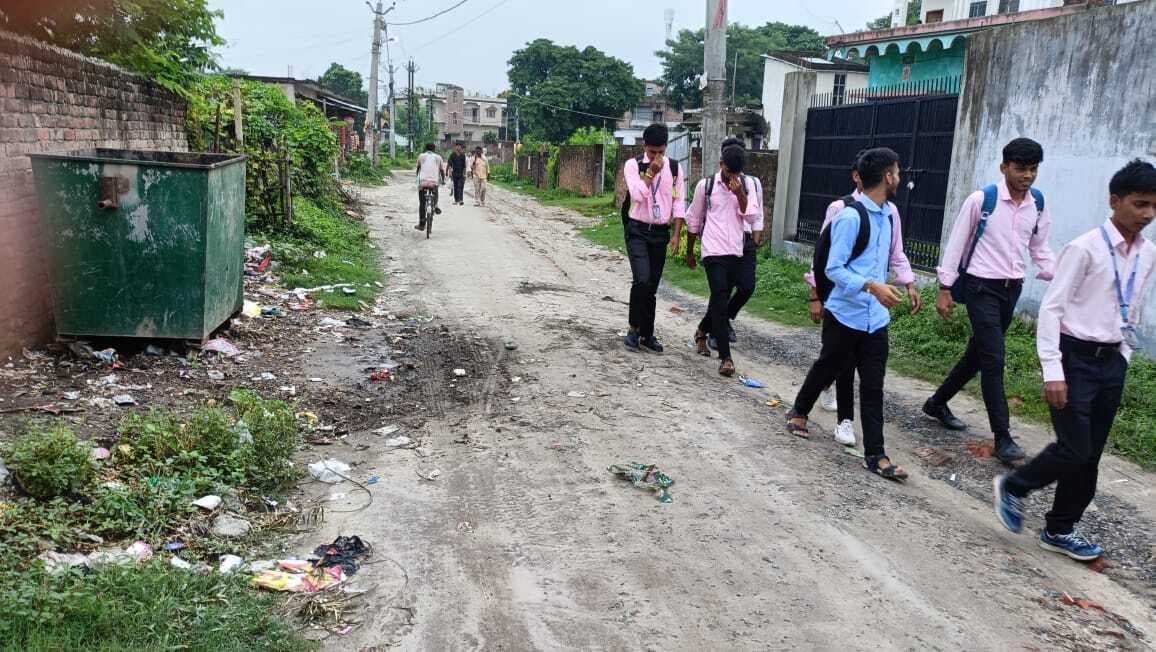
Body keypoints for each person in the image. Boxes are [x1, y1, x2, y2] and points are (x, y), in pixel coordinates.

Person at [994, 159, 1156, 561]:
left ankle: (1060, 529)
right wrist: (1053, 370)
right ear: (1115, 201)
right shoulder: (1085, 248)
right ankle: (1015, 486)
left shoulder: (1147, 253)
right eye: (1140, 204)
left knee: (1090, 455)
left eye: (1154, 206)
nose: (1148, 214)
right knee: (1075, 448)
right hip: (1074, 358)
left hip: (1112, 360)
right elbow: (1052, 309)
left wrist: (1124, 356)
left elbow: (1133, 307)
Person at [785, 147, 921, 481]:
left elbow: (896, 253)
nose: (899, 178)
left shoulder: (890, 214)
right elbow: (833, 269)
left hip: (877, 319)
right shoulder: (849, 216)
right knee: (828, 366)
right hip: (845, 314)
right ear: (887, 176)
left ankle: (876, 455)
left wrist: (909, 283)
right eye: (897, 172)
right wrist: (872, 286)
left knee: (874, 385)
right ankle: (799, 410)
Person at [925, 138, 1056, 463]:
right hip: (980, 287)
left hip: (1012, 289)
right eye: (1021, 168)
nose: (1027, 176)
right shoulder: (982, 200)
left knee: (978, 356)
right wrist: (945, 288)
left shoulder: (1037, 203)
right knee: (994, 359)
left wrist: (1056, 274)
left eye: (1033, 169)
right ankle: (1003, 437)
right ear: (1004, 167)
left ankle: (937, 403)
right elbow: (956, 243)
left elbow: (1039, 247)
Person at [673, 137, 765, 352]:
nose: (732, 176)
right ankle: (721, 342)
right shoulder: (707, 185)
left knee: (746, 287)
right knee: (721, 293)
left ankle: (712, 324)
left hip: (744, 242)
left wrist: (755, 239)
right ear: (722, 162)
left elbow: (756, 215)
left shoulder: (750, 184)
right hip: (717, 246)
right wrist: (690, 251)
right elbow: (694, 219)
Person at [622, 123, 685, 352]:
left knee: (652, 285)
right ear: (644, 146)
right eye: (652, 152)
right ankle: (633, 328)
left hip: (660, 232)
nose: (656, 156)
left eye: (660, 151)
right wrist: (650, 173)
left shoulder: (675, 168)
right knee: (642, 279)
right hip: (637, 229)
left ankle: (647, 334)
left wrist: (676, 234)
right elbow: (637, 196)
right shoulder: (633, 165)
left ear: (666, 147)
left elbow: (679, 203)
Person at [415, 143, 445, 231]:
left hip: (423, 182)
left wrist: (417, 178)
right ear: (434, 149)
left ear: (426, 148)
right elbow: (442, 171)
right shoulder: (438, 157)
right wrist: (443, 180)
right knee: (435, 190)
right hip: (434, 182)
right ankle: (435, 205)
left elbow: (418, 168)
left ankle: (422, 224)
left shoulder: (421, 156)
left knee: (422, 203)